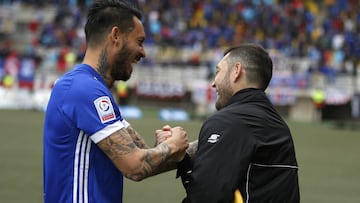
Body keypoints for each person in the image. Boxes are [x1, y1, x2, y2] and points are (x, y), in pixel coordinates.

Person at [43, 1, 189, 202]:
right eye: (139, 41)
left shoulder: (90, 88)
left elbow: (141, 155)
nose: (143, 52)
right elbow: (135, 166)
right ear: (116, 36)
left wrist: (162, 147)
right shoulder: (84, 89)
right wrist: (171, 146)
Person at [176, 43, 300, 202]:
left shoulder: (227, 122)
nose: (213, 83)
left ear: (236, 71)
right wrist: (183, 160)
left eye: (218, 71)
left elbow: (205, 197)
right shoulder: (279, 126)